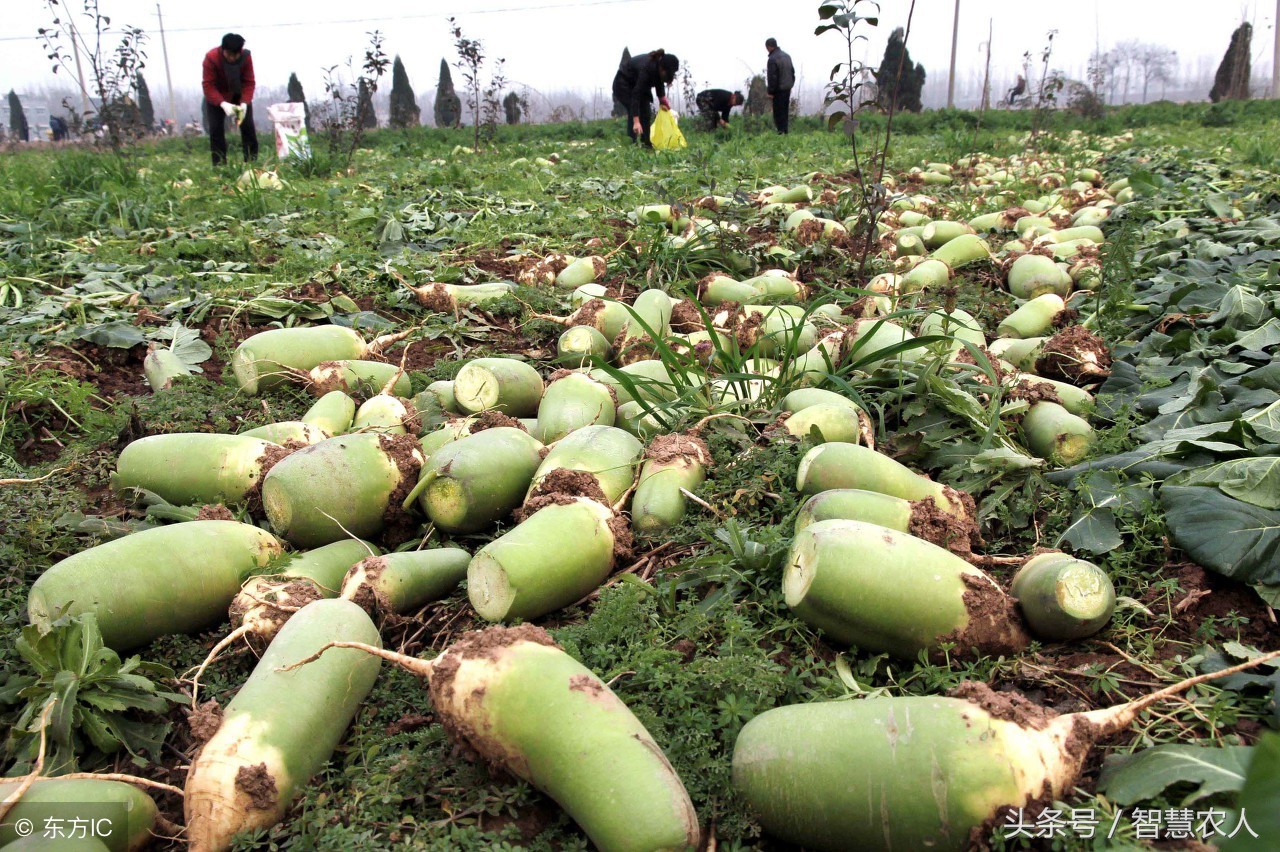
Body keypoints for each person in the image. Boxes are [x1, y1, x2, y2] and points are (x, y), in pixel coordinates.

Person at [202, 32, 258, 167]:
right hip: (217, 97)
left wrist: (245, 102)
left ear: (240, 51)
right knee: (216, 130)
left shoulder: (246, 58)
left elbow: (249, 82)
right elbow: (208, 85)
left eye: (235, 55)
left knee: (248, 127)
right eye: (229, 55)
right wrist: (222, 103)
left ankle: (251, 163)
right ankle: (220, 166)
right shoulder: (211, 58)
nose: (232, 58)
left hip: (239, 95)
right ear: (223, 50)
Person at [612, 49, 680, 148]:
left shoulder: (658, 67)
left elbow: (659, 82)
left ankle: (646, 144)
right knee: (634, 111)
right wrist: (636, 121)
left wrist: (662, 99)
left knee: (646, 113)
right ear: (662, 68)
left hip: (637, 84)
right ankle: (632, 145)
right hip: (623, 84)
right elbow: (636, 95)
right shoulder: (646, 69)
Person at [765, 37, 795, 134]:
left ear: (769, 47)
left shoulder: (772, 59)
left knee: (778, 113)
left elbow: (772, 77)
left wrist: (770, 92)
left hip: (778, 90)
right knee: (785, 111)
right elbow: (792, 72)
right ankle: (785, 131)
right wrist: (790, 85)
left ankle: (781, 132)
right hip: (787, 88)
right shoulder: (787, 56)